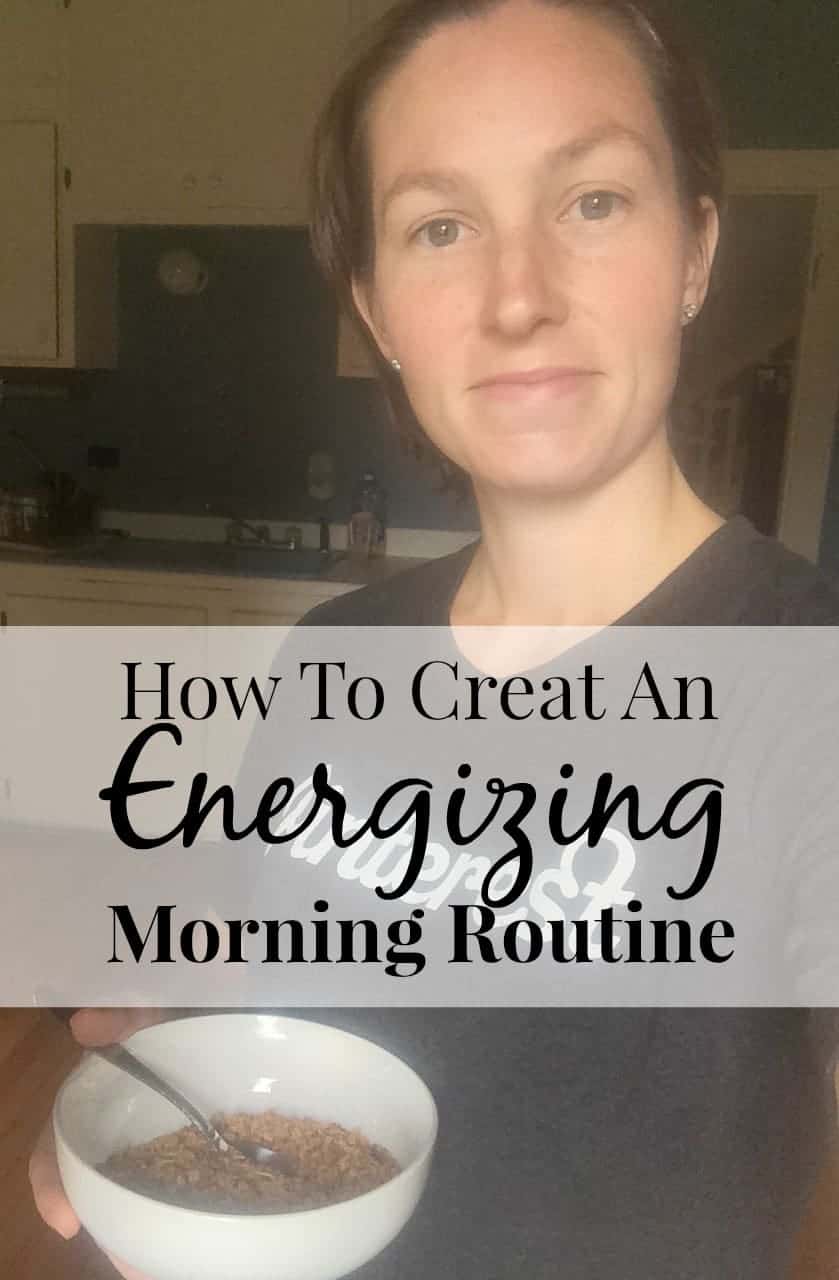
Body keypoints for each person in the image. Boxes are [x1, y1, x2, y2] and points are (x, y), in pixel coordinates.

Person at [30, 1, 839, 1275]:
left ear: (694, 248)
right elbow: (275, 971)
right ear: (377, 308)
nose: (517, 298)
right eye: (439, 226)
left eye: (591, 201)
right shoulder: (335, 652)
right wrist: (165, 1073)